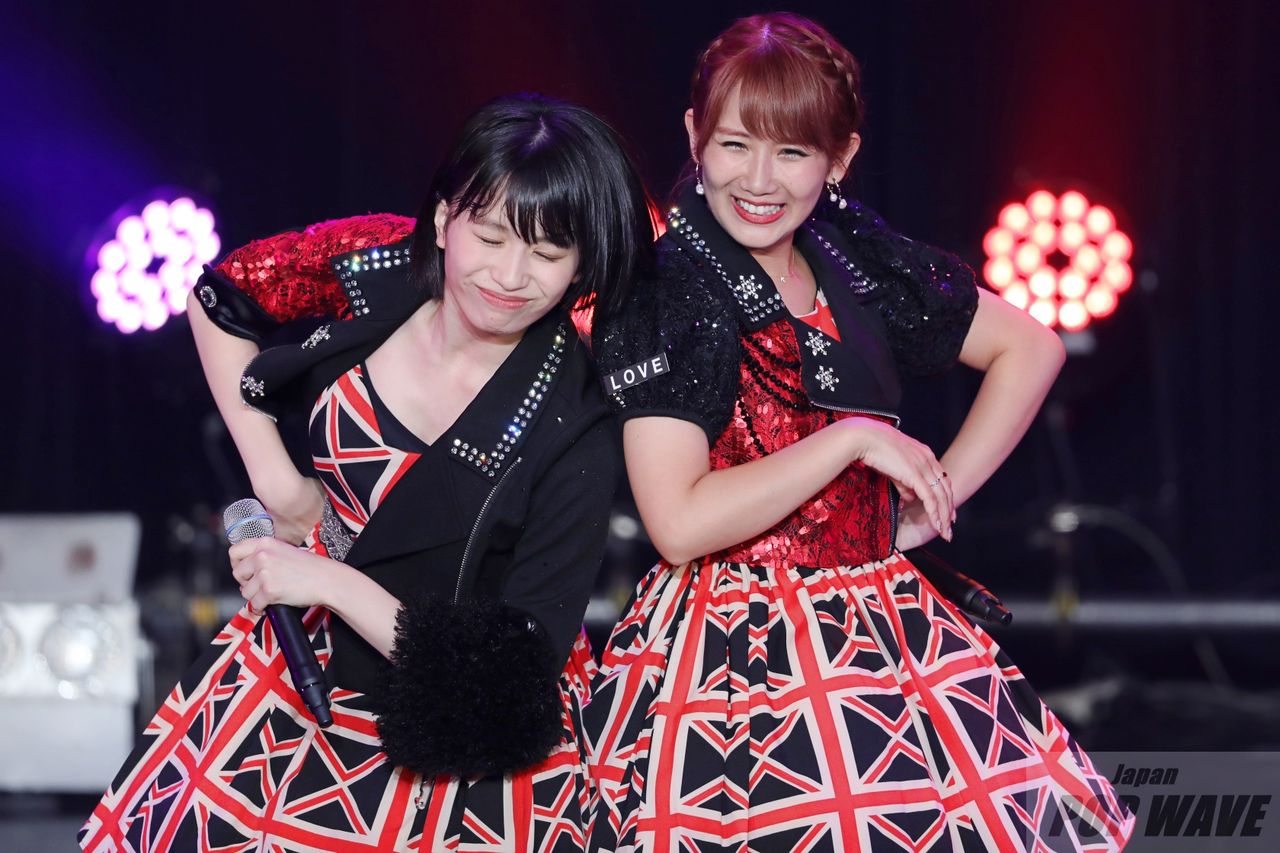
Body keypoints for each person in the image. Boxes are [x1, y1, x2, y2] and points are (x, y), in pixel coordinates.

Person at [585, 13, 1134, 851]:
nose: (758, 179)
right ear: (694, 135)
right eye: (733, 144)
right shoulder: (664, 290)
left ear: (839, 159)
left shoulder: (851, 257)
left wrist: (932, 497)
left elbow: (1031, 348)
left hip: (885, 621)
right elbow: (679, 522)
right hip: (728, 647)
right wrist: (851, 440)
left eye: (792, 152)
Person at [80, 94, 653, 853]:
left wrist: (329, 582)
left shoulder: (578, 421)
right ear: (445, 218)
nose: (511, 275)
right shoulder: (377, 265)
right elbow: (218, 300)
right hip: (294, 667)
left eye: (548, 255)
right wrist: (276, 480)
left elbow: (509, 682)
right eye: (490, 236)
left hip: (454, 733)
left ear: (582, 264)